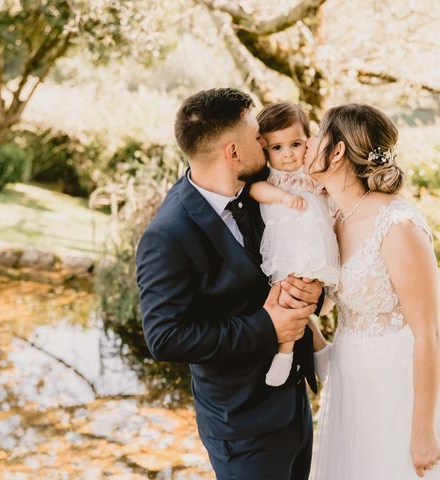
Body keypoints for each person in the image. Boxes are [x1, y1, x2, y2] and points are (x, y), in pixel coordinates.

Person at [135, 88, 324, 480]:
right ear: (232, 152)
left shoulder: (262, 190)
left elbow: (299, 252)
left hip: (294, 403)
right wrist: (266, 326)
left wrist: (315, 294)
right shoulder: (168, 235)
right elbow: (166, 337)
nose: (265, 141)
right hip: (242, 426)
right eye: (257, 136)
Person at [304, 104, 440, 479]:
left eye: (317, 136)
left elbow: (428, 332)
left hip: (402, 387)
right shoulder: (331, 216)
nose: (310, 145)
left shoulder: (398, 225)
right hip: (356, 388)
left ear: (338, 150)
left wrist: (424, 429)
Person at [248, 102, 339, 387]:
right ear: (265, 149)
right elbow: (255, 191)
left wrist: (322, 185)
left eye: (295, 144)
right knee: (288, 299)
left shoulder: (312, 172)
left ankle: (318, 347)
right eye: (277, 148)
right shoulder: (269, 179)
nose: (287, 154)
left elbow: (332, 198)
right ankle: (291, 352)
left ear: (308, 142)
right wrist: (283, 197)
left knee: (306, 297)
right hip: (285, 252)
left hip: (314, 249)